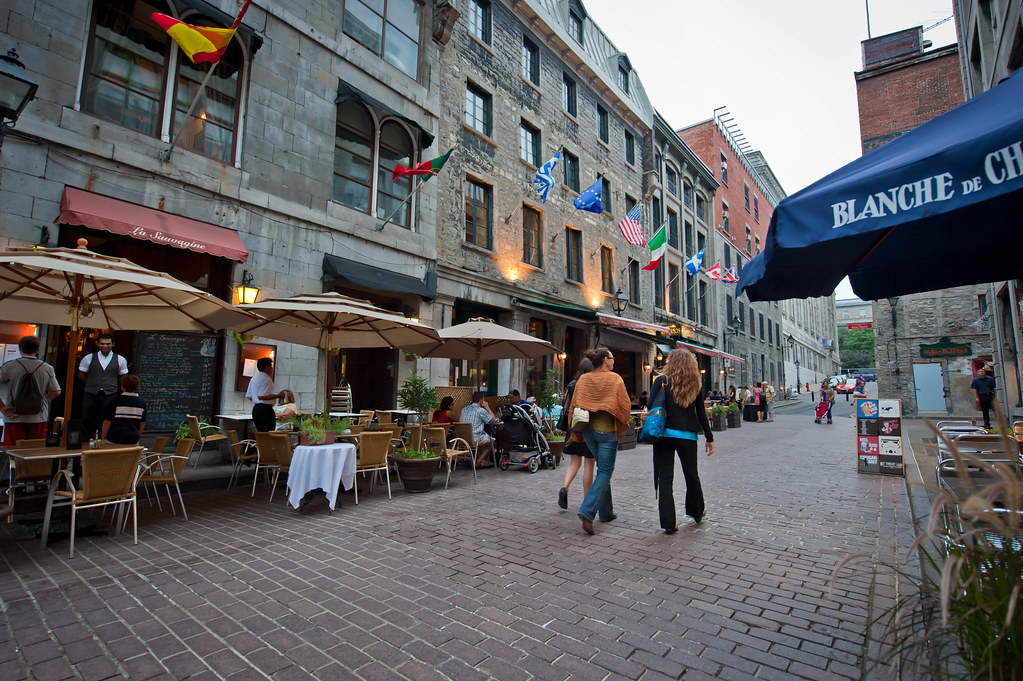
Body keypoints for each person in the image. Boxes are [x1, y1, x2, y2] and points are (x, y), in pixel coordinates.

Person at [566, 347, 631, 536]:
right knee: (604, 471)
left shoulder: (584, 379)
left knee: (603, 469)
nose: (614, 360)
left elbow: (575, 404)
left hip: (588, 432)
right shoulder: (615, 379)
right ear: (605, 360)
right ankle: (587, 511)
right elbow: (625, 405)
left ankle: (606, 512)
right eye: (612, 357)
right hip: (607, 432)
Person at [650, 349, 715, 533]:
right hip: (687, 435)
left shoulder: (661, 381)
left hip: (664, 435)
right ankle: (697, 511)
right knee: (691, 474)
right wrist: (709, 438)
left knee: (665, 478)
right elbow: (701, 413)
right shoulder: (695, 383)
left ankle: (668, 523)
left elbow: (650, 405)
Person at [0, 336, 61, 446]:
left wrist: (3, 408)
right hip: (38, 416)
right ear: (38, 349)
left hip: (14, 416)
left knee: (13, 450)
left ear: (20, 348)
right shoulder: (47, 368)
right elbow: (56, 391)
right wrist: (43, 399)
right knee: (34, 449)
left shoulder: (8, 366)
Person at [557, 358, 595, 510]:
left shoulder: (572, 385)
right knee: (589, 465)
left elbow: (566, 406)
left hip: (574, 426)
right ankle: (586, 501)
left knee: (574, 463)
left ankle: (565, 487)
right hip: (589, 426)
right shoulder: (592, 384)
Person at [77, 332, 129, 441]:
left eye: (108, 344)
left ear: (113, 344)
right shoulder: (89, 358)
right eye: (102, 344)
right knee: (87, 416)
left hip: (110, 393)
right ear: (98, 344)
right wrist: (90, 383)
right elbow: (81, 374)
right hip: (90, 392)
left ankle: (105, 439)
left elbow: (123, 376)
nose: (105, 346)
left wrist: (114, 384)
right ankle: (85, 439)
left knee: (107, 416)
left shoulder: (120, 359)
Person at [100, 374, 146, 445]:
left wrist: (103, 438)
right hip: (133, 439)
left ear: (122, 387)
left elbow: (107, 421)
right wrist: (137, 435)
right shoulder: (142, 403)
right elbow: (142, 422)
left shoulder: (115, 401)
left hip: (114, 439)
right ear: (136, 387)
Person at [459, 391, 499, 466]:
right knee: (491, 442)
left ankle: (482, 461)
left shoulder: (463, 409)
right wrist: (487, 407)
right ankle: (478, 461)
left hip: (462, 439)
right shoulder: (480, 411)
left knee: (482, 441)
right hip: (475, 439)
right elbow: (493, 420)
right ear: (481, 401)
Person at [246, 357, 284, 432]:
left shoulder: (254, 378)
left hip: (256, 409)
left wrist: (257, 401)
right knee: (268, 432)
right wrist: (278, 396)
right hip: (265, 410)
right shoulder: (266, 379)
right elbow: (261, 396)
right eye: (271, 366)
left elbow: (249, 395)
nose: (272, 368)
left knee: (261, 432)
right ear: (266, 367)